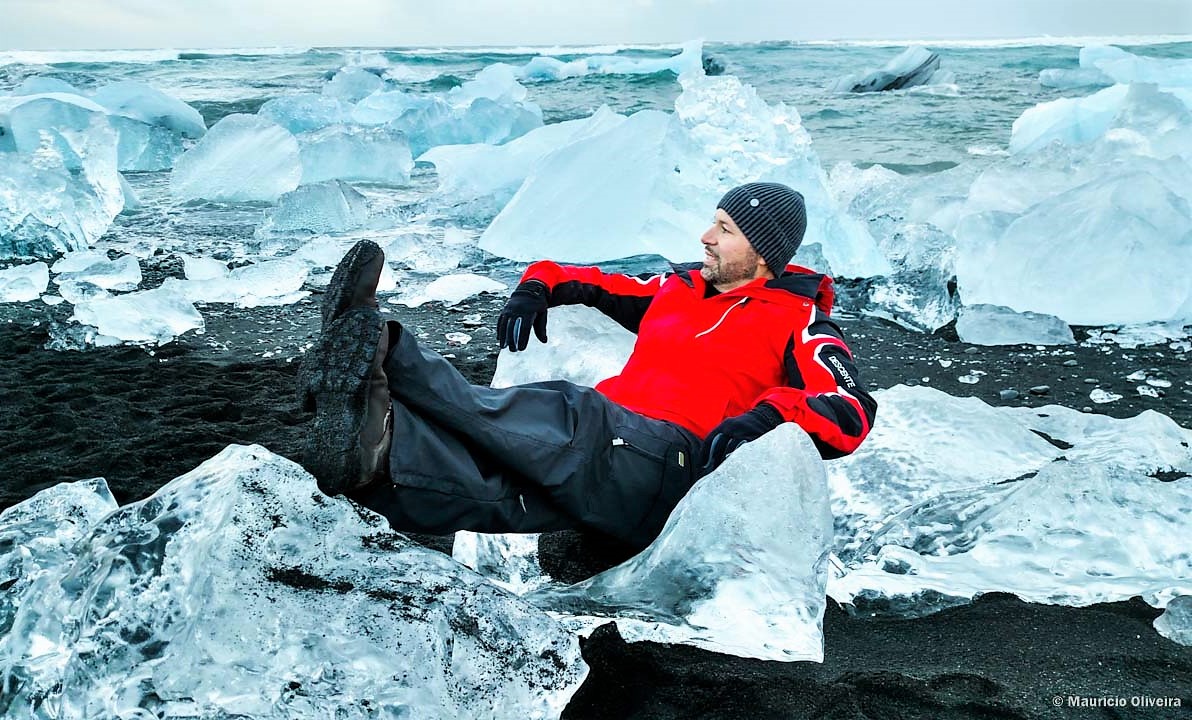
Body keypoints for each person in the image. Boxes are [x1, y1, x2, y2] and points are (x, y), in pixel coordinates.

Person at [299, 182, 877, 550]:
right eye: (712, 221)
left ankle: (386, 353)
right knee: (503, 488)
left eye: (725, 229)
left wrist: (763, 418)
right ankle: (377, 464)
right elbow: (582, 276)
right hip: (616, 469)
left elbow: (850, 411)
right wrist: (534, 288)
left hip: (674, 464)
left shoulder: (802, 321)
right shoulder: (674, 288)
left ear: (763, 250)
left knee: (572, 412)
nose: (705, 237)